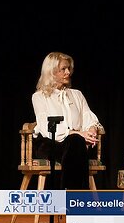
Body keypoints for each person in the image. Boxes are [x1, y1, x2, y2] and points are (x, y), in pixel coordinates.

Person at [32, 52, 104, 190]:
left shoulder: (77, 95)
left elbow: (88, 117)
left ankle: (69, 197)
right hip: (51, 143)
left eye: (69, 68)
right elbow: (45, 126)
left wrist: (91, 130)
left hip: (76, 145)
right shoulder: (39, 97)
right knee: (75, 142)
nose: (68, 72)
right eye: (63, 69)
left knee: (75, 144)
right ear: (51, 72)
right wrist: (75, 133)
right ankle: (76, 198)